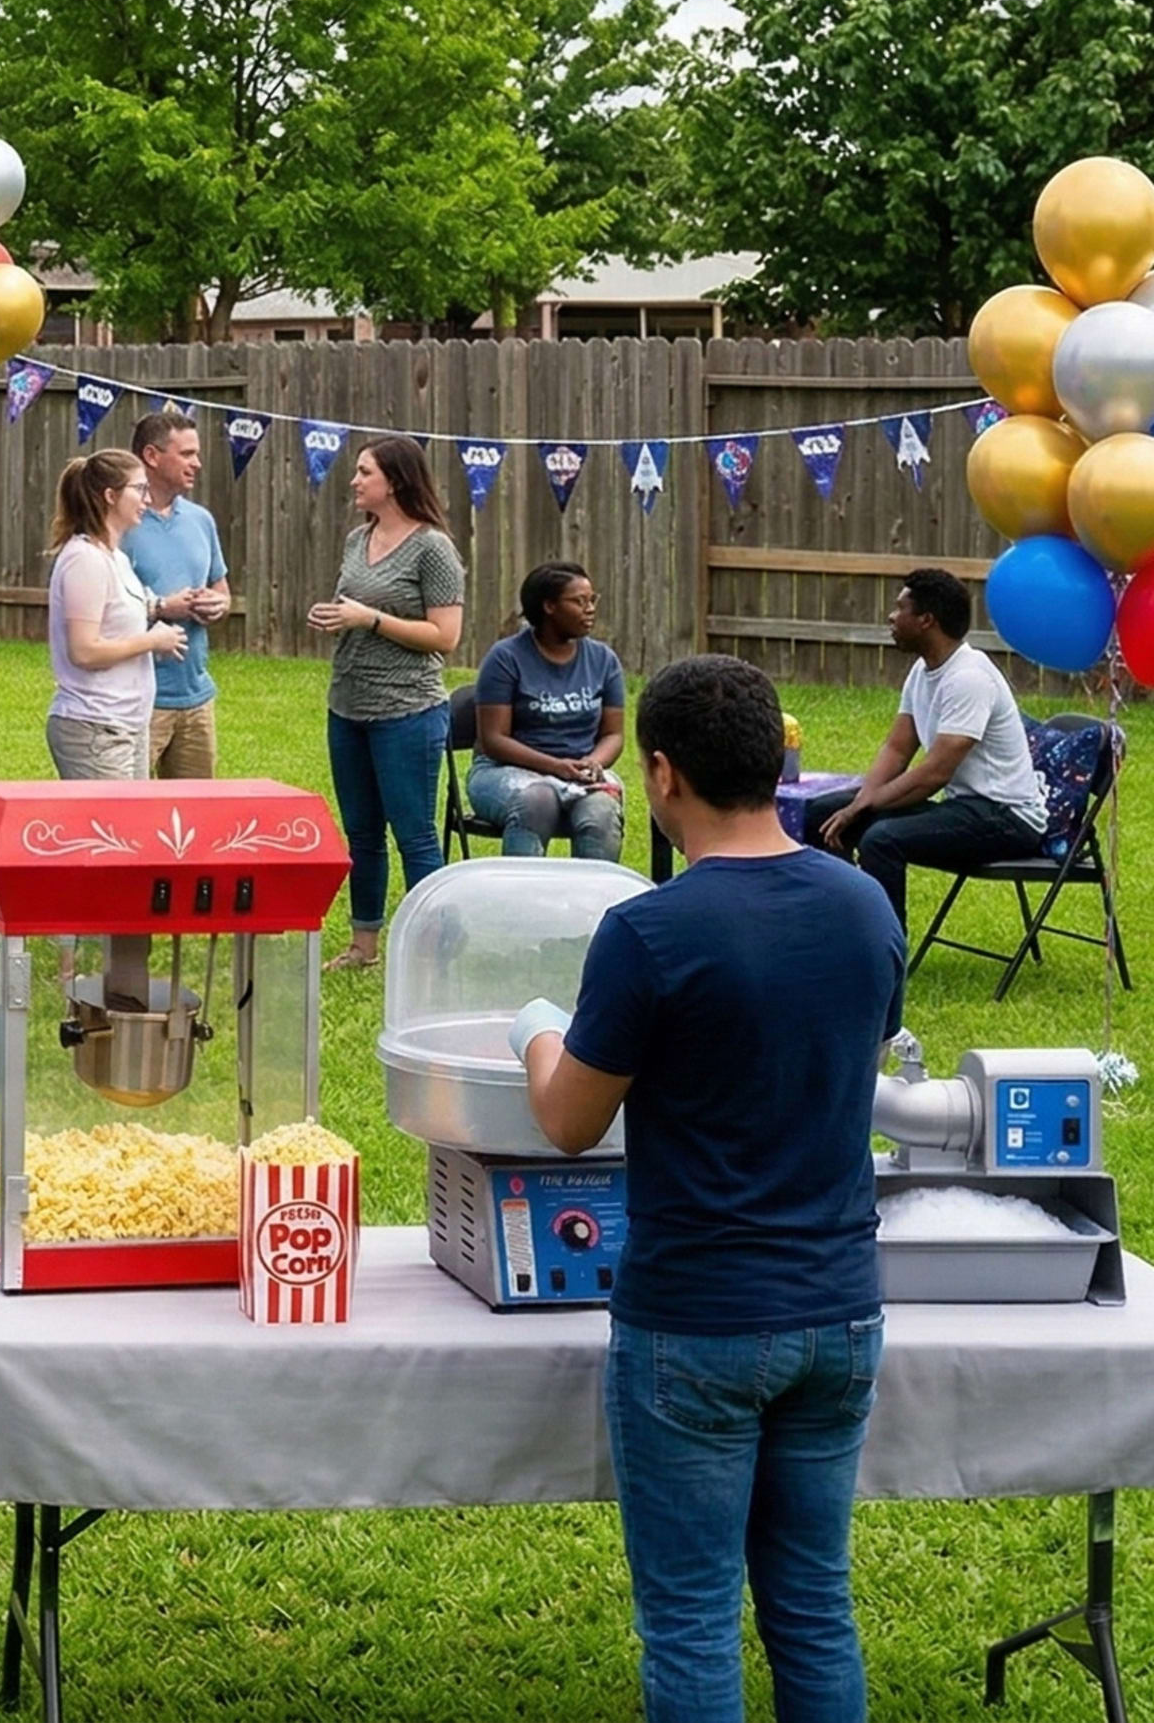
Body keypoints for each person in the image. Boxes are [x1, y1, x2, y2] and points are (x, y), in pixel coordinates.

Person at [510, 655, 902, 1722]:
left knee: (689, 1619)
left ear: (662, 773)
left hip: (697, 1321)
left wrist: (540, 1031)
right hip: (839, 1308)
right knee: (815, 1604)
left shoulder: (650, 929)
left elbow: (568, 1119)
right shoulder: (865, 906)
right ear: (780, 760)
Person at [818, 567, 1052, 930]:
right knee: (820, 813)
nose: (892, 617)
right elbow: (897, 750)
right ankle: (838, 924)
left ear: (926, 620)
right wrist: (858, 802)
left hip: (1007, 818)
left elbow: (935, 773)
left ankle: (884, 950)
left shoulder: (969, 678)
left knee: (882, 839)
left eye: (900, 608)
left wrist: (865, 805)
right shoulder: (923, 671)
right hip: (967, 808)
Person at [309, 437, 468, 968]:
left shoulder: (433, 549)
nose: (354, 481)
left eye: (364, 472)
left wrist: (370, 619)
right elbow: (352, 603)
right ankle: (364, 944)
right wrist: (336, 616)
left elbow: (445, 637)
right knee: (361, 833)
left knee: (414, 833)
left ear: (395, 481)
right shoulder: (359, 538)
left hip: (408, 711)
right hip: (348, 705)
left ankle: (433, 948)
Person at [469, 563, 629, 862]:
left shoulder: (603, 660)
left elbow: (613, 734)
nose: (590, 609)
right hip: (504, 771)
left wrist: (593, 762)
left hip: (579, 773)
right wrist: (555, 767)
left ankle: (593, 904)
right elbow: (493, 740)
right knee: (537, 801)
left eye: (592, 599)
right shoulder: (506, 658)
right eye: (579, 601)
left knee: (602, 810)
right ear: (549, 606)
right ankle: (523, 903)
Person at [43, 448, 181, 783]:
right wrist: (152, 641)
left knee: (132, 831)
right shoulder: (85, 560)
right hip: (94, 727)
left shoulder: (115, 558)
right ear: (110, 495)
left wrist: (160, 608)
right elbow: (84, 650)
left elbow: (114, 614)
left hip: (127, 724)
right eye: (139, 489)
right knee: (109, 834)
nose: (147, 499)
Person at [121, 410, 232, 778]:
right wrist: (163, 608)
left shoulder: (201, 520)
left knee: (195, 816)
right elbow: (98, 610)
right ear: (152, 457)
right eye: (186, 454)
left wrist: (217, 605)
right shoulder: (120, 523)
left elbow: (222, 589)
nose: (197, 463)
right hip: (139, 699)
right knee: (127, 816)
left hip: (197, 697)